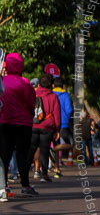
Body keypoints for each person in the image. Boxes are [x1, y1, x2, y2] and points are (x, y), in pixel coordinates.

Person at [0, 53, 38, 198]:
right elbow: (31, 103)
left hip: (4, 122)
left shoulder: (2, 80)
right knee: (22, 155)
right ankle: (25, 185)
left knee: (4, 155)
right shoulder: (25, 83)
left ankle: (3, 185)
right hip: (23, 124)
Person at [29, 74, 62, 183]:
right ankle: (44, 174)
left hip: (33, 125)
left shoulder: (33, 94)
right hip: (47, 127)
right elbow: (57, 114)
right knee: (45, 151)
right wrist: (57, 129)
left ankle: (24, 171)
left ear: (39, 84)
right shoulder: (53, 97)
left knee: (31, 150)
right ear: (51, 85)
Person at [51, 76, 74, 177]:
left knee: (55, 144)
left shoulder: (50, 94)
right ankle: (56, 166)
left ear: (53, 85)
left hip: (51, 123)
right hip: (63, 123)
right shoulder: (66, 95)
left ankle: (56, 169)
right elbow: (69, 109)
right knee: (71, 144)